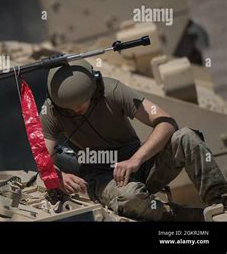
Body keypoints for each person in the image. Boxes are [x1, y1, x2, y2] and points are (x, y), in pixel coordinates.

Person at [40, 59, 227, 221]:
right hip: (100, 177)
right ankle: (184, 216)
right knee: (131, 197)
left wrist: (136, 159)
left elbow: (166, 122)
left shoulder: (112, 90)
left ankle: (221, 204)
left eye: (80, 104)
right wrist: (58, 177)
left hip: (139, 163)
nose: (75, 111)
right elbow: (42, 158)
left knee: (186, 137)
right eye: (68, 108)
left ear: (94, 89)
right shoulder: (51, 112)